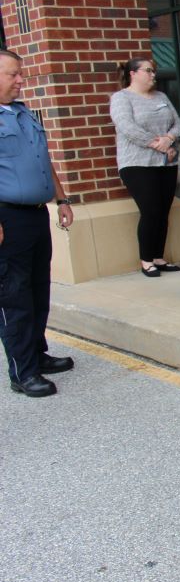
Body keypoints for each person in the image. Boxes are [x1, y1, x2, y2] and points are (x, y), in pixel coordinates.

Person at [0, 49, 76, 397]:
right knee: (13, 296)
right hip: (7, 217)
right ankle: (22, 372)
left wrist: (62, 199)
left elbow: (42, 160)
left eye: (21, 73)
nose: (21, 80)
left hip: (35, 214)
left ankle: (37, 353)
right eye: (13, 74)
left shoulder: (22, 113)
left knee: (37, 289)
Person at [109, 58, 180, 277]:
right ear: (133, 74)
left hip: (166, 162)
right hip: (137, 163)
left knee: (163, 211)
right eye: (148, 71)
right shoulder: (121, 98)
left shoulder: (161, 97)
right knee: (150, 210)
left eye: (154, 71)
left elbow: (178, 124)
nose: (153, 75)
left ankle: (159, 257)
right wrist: (157, 144)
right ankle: (146, 260)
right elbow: (127, 127)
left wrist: (169, 139)